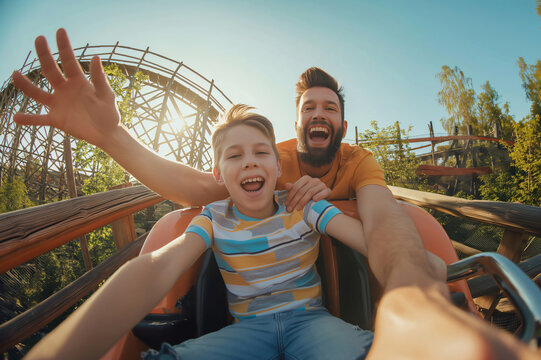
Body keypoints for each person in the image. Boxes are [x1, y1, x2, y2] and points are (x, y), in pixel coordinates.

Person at [12, 29, 538, 360]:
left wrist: (417, 291)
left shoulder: (354, 166)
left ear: (342, 123)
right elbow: (189, 206)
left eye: (329, 109)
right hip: (249, 329)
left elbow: (382, 224)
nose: (319, 116)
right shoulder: (264, 160)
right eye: (310, 108)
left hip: (314, 321)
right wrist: (113, 138)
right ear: (295, 124)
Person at [26, 104, 436, 359]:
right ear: (219, 175)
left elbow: (372, 244)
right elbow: (156, 269)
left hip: (311, 323)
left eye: (261, 154)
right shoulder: (213, 217)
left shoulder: (306, 207)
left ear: (279, 167)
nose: (250, 163)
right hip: (247, 333)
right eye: (234, 156)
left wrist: (427, 264)